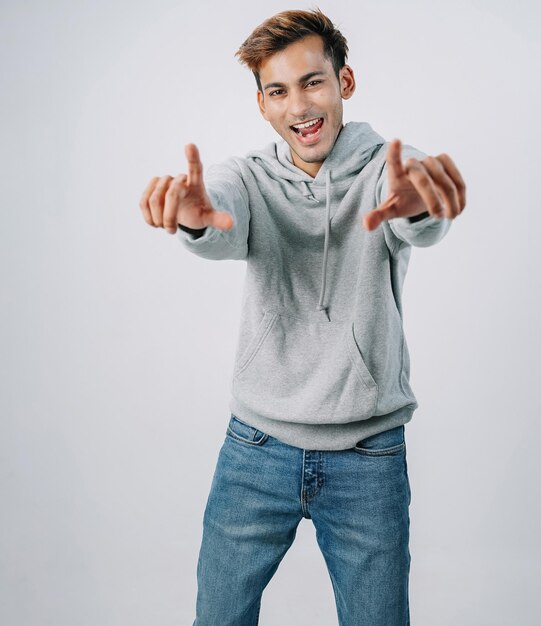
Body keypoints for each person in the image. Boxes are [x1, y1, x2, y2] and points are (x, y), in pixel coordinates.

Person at [139, 8, 466, 626]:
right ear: (261, 104)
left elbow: (413, 207)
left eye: (313, 81)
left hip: (368, 455)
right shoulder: (248, 179)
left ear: (344, 82)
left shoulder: (384, 168)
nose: (298, 105)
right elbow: (221, 214)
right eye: (278, 91)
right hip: (256, 448)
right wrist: (194, 215)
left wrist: (419, 206)